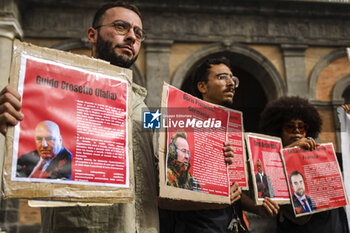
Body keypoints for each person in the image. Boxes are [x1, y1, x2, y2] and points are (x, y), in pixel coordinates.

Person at [0, 2, 159, 233]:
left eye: (138, 33)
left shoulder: (144, 107)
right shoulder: (56, 90)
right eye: (121, 27)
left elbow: (165, 160)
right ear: (92, 35)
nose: (132, 37)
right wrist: (10, 117)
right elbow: (25, 132)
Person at [159, 56, 279, 233]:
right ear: (202, 86)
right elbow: (163, 199)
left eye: (233, 78)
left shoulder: (231, 128)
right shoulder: (180, 125)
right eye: (222, 77)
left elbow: (232, 189)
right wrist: (213, 199)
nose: (231, 83)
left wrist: (256, 207)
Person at [260, 96, 349, 233]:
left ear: (308, 130)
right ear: (279, 131)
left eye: (301, 127)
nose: (296, 131)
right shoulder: (272, 161)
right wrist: (291, 150)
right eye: (290, 127)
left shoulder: (324, 155)